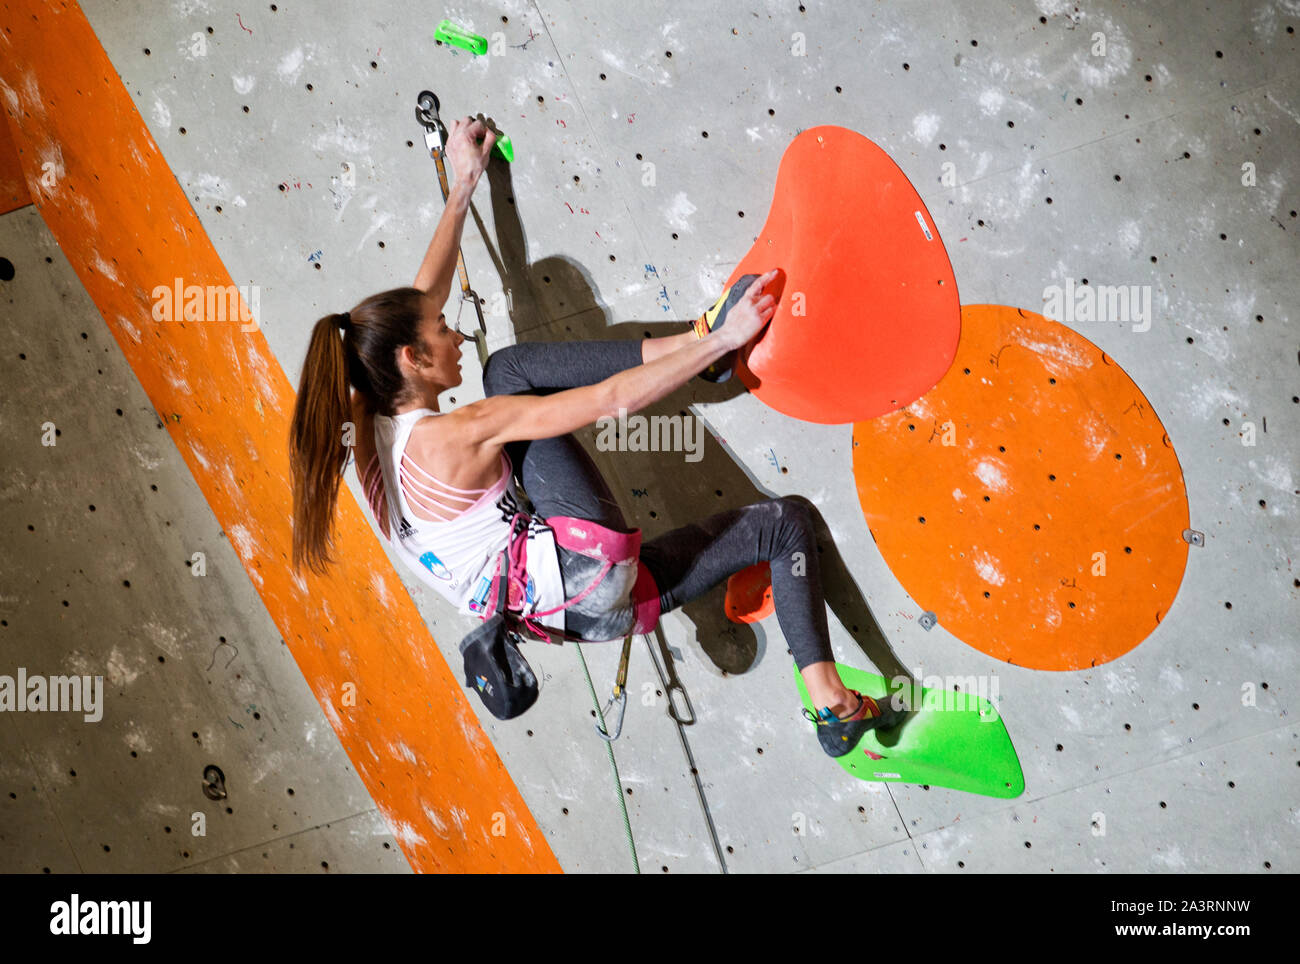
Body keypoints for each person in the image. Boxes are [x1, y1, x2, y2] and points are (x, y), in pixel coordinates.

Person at [288, 117, 900, 756]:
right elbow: (612, 398)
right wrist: (724, 336)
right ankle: (703, 343)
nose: (458, 332)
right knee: (507, 371)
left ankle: (834, 707)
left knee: (786, 523)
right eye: (442, 329)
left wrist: (464, 185)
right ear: (411, 358)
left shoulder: (365, 425)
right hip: (588, 567)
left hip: (576, 620)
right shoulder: (457, 433)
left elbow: (422, 295)